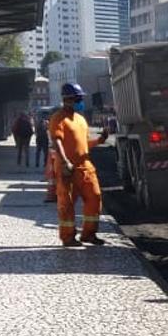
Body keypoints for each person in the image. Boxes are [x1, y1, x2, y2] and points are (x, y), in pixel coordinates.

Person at [50, 83, 108, 247]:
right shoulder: (58, 118)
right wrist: (65, 161)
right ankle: (68, 237)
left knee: (95, 197)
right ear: (68, 99)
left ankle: (89, 234)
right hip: (67, 169)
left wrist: (100, 140)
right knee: (67, 204)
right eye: (79, 99)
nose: (81, 102)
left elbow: (83, 144)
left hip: (85, 166)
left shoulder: (81, 119)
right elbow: (57, 141)